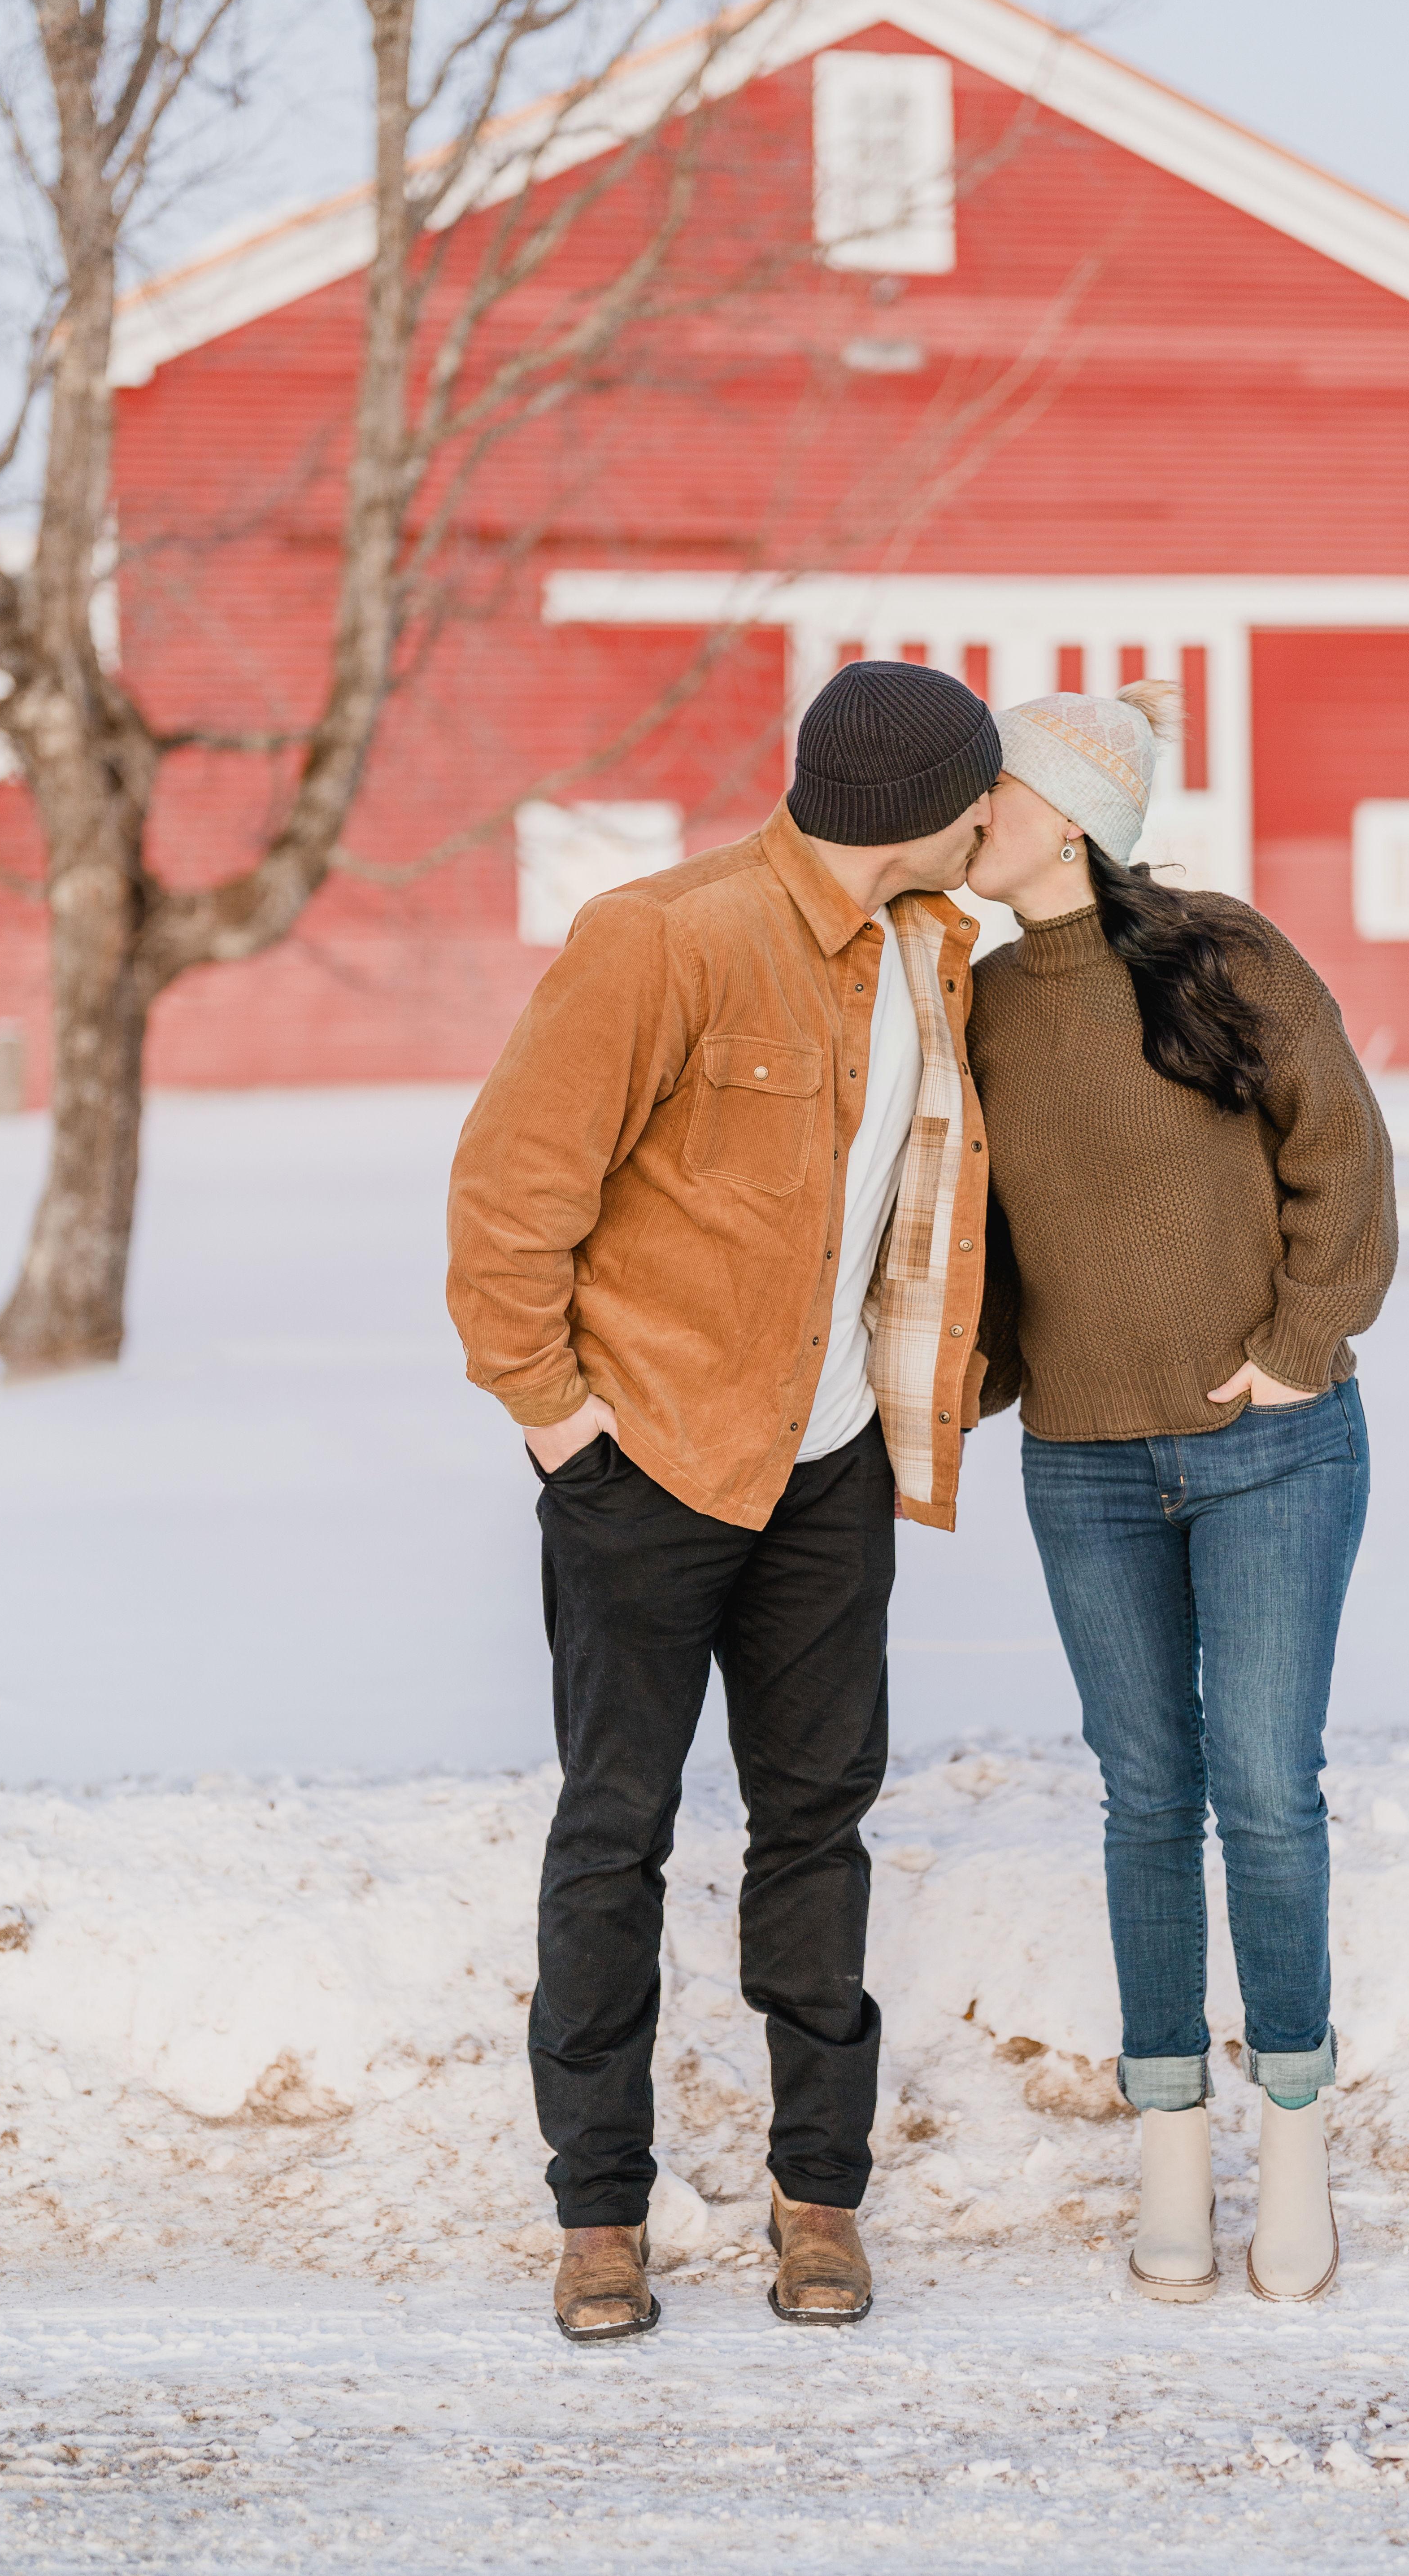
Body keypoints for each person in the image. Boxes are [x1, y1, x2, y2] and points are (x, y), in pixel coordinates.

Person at [445, 660, 1000, 2341]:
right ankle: (597, 2214)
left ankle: (817, 2197)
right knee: (612, 1832)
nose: (991, 816)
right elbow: (508, 1200)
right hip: (650, 1468)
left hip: (830, 1475)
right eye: (978, 791)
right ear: (921, 806)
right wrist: (561, 1425)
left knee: (816, 1828)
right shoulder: (661, 938)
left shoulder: (929, 950)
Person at [962, 679, 1396, 2305]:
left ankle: (1292, 2134)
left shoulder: (1225, 956)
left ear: (1065, 819)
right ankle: (1166, 2141)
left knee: (1265, 1789)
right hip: (1081, 1461)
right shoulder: (977, 1000)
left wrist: (1297, 1345)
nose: (969, 815)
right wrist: (959, 1384)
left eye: (992, 790)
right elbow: (976, 1231)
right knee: (1143, 1794)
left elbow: (1340, 1153)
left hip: (1271, 1445)